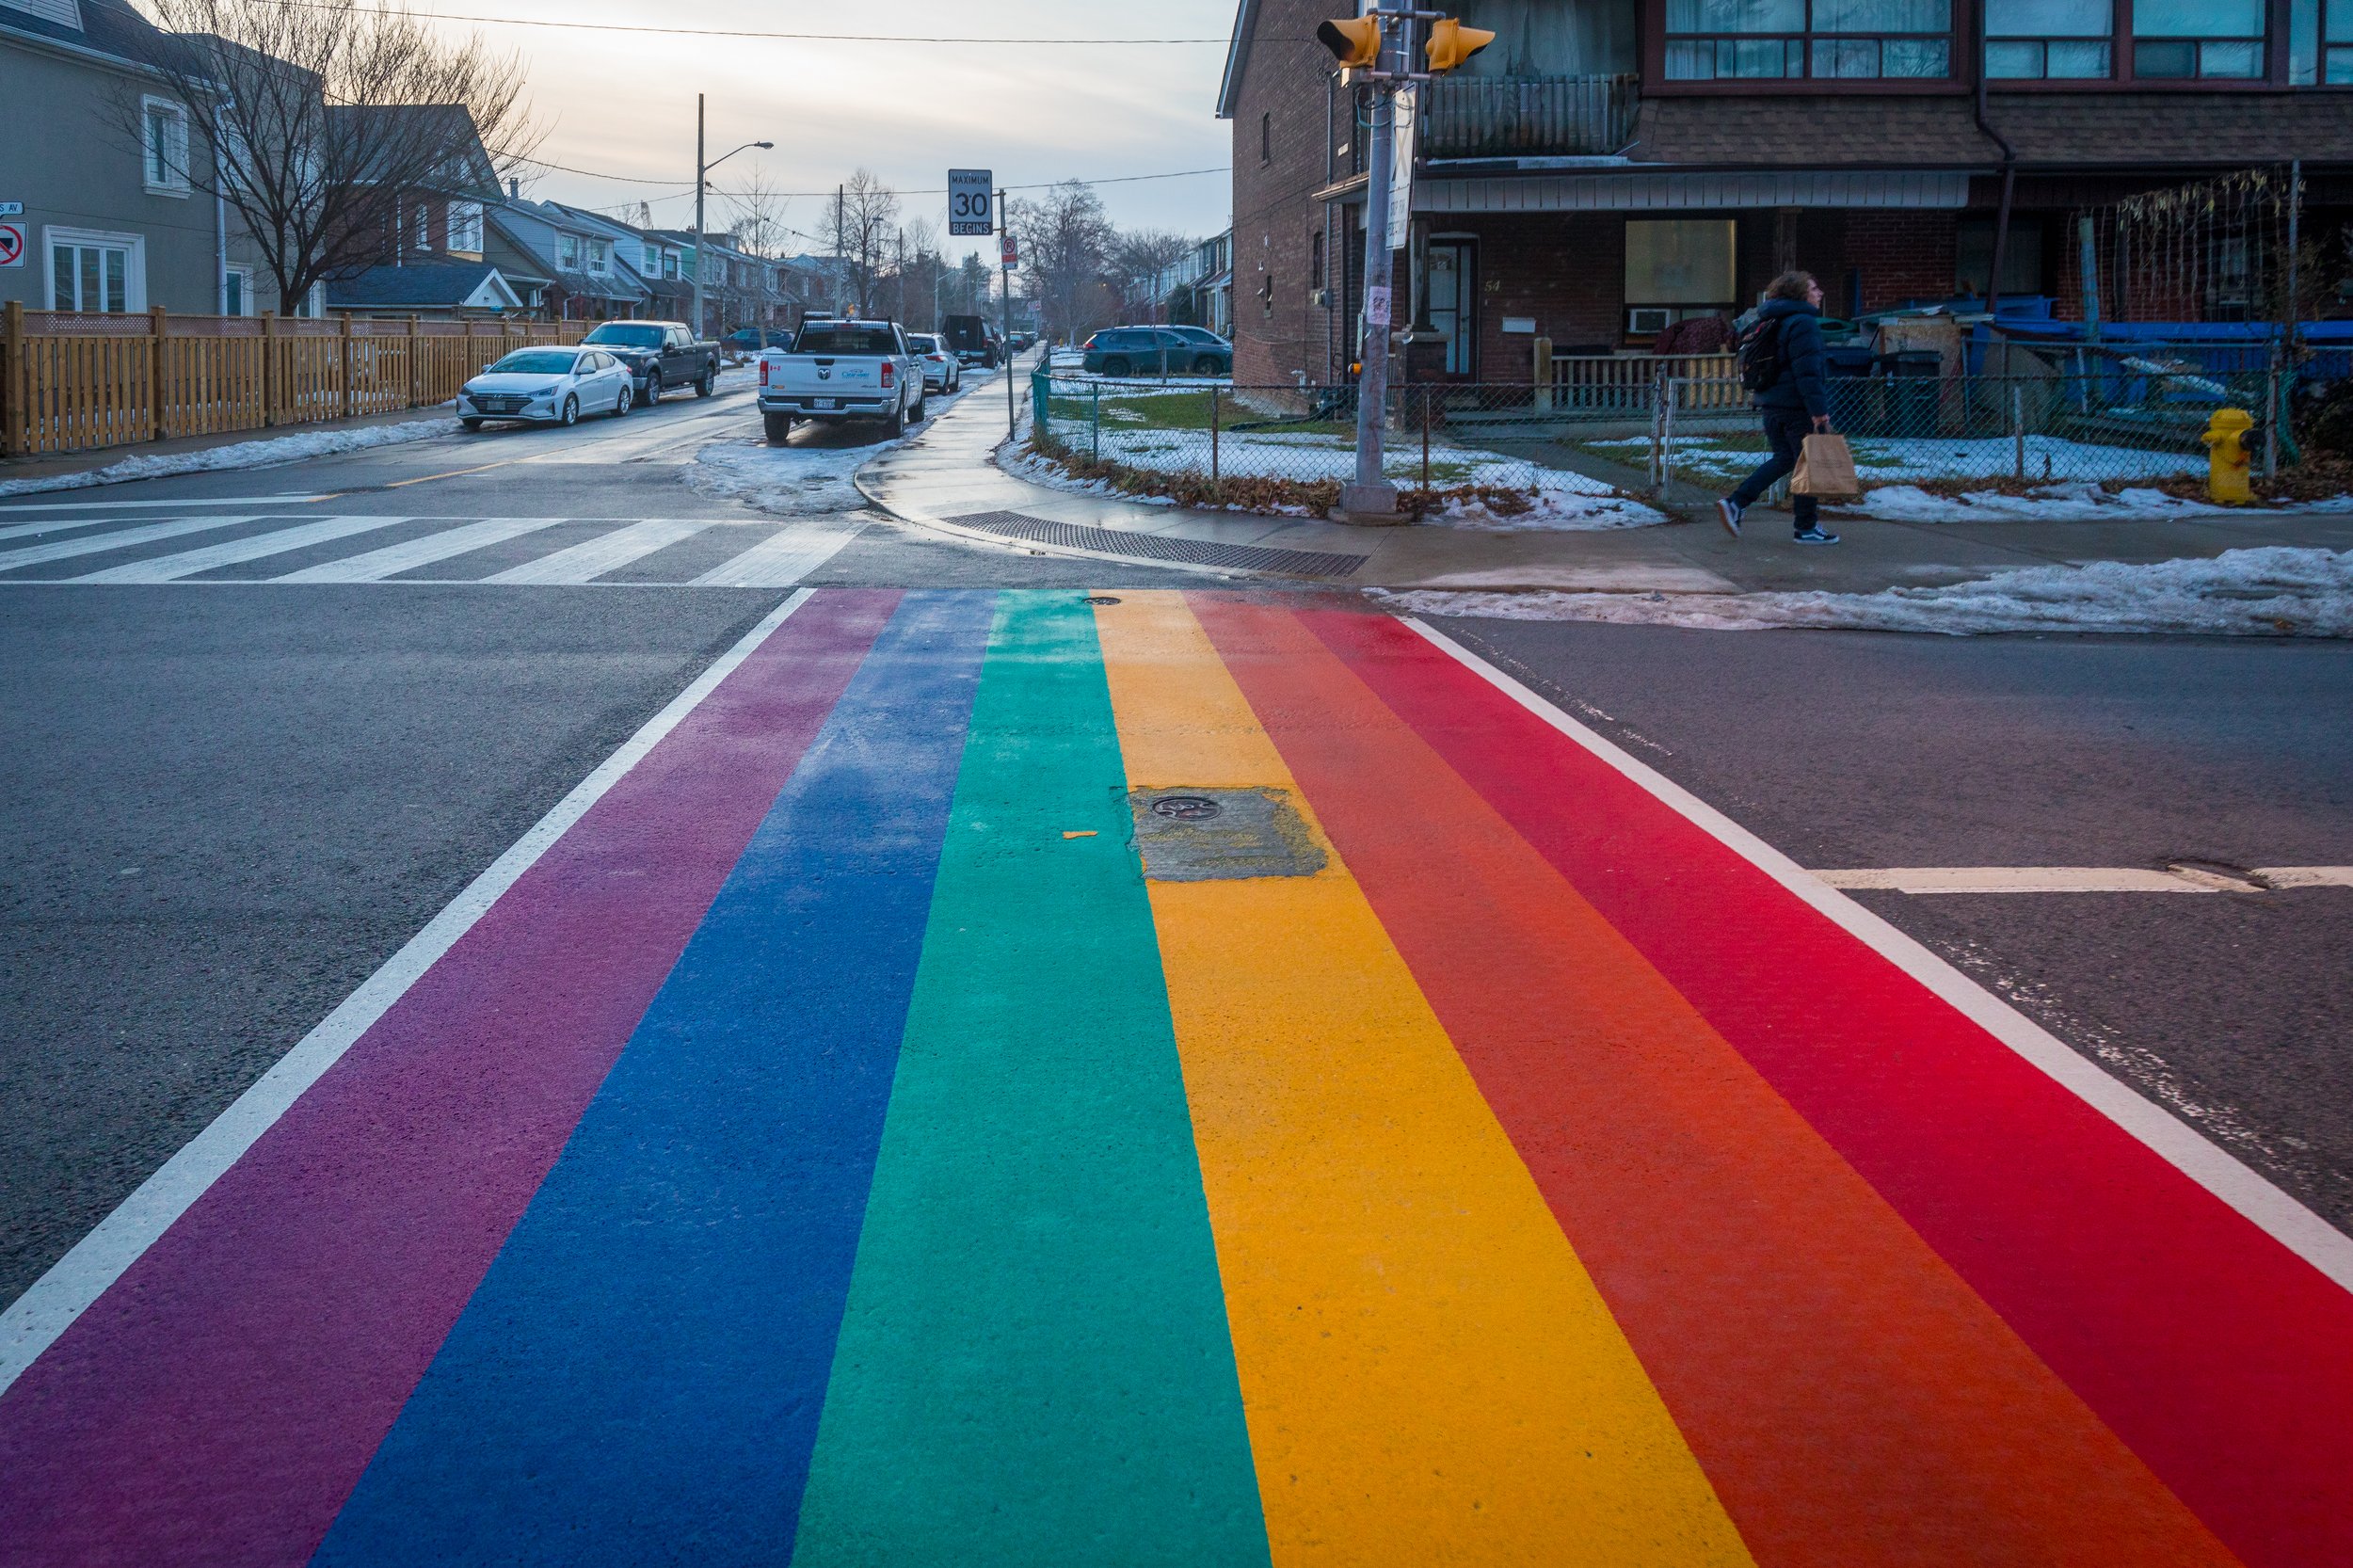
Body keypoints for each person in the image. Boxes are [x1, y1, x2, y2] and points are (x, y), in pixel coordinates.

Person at [1718, 271, 1841, 545]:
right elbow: (1807, 371)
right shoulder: (1803, 322)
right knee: (1807, 465)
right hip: (1796, 407)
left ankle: (1736, 503)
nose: (1819, 293)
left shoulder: (1769, 320)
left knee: (1786, 458)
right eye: (1813, 288)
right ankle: (1806, 528)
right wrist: (1819, 410)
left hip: (1770, 403)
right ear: (1800, 294)